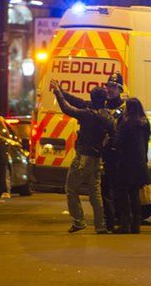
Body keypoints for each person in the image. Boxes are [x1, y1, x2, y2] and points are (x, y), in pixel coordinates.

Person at [50, 79, 115, 234]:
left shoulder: (88, 114)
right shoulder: (107, 116)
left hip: (83, 157)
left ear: (92, 99)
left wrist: (58, 93)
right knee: (95, 193)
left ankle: (79, 221)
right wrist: (62, 91)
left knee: (71, 189)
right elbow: (77, 101)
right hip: (98, 158)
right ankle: (100, 225)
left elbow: (67, 108)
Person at [114, 98, 151, 234]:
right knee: (135, 195)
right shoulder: (145, 123)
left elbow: (118, 142)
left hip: (125, 162)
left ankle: (125, 224)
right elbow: (146, 144)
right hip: (140, 163)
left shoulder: (125, 123)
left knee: (123, 194)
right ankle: (136, 225)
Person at [102, 72, 126, 232]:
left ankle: (118, 217)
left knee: (117, 187)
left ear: (120, 89)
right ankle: (108, 218)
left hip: (117, 154)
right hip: (103, 153)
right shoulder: (102, 105)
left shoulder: (124, 108)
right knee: (105, 188)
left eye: (113, 87)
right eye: (109, 86)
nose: (110, 90)